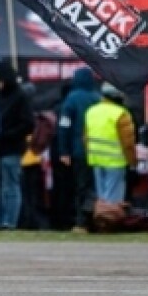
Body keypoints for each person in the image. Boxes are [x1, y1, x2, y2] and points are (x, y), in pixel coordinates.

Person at [0, 62, 33, 230]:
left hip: (12, 148)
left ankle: (9, 221)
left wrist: (7, 134)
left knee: (10, 186)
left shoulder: (20, 97)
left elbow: (28, 124)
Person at [57, 68, 100, 232]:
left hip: (78, 151)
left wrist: (63, 151)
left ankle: (81, 221)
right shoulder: (97, 98)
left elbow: (64, 127)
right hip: (97, 151)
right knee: (95, 187)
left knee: (80, 187)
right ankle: (96, 219)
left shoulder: (72, 99)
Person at [83, 84, 135, 205]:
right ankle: (111, 220)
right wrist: (132, 162)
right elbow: (128, 142)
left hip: (96, 159)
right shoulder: (121, 113)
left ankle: (102, 221)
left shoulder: (91, 111)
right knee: (113, 199)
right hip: (115, 161)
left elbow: (85, 138)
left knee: (102, 198)